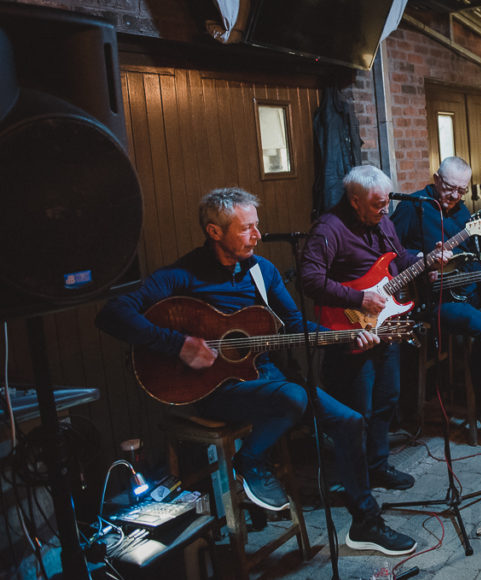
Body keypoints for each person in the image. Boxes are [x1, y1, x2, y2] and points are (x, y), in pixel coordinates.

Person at [96, 187, 416, 556]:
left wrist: (346, 337)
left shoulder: (262, 272)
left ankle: (366, 523)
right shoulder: (183, 274)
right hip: (217, 390)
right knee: (293, 395)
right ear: (215, 232)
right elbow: (112, 313)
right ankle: (250, 460)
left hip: (268, 383)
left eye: (257, 226)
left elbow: (297, 327)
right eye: (246, 228)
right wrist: (178, 345)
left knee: (350, 420)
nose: (257, 236)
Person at [298, 165, 427, 495]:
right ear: (354, 201)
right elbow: (309, 280)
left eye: (386, 203)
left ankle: (377, 467)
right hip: (348, 330)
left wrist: (426, 260)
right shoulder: (328, 229)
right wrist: (358, 297)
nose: (384, 211)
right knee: (358, 410)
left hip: (385, 325)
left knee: (387, 399)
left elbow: (397, 261)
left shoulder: (383, 222)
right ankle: (352, 481)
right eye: (377, 204)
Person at [390, 156, 481, 433]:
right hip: (435, 298)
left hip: (469, 285)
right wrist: (422, 259)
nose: (455, 196)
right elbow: (390, 252)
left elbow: (471, 257)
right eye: (450, 188)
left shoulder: (462, 213)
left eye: (461, 190)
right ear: (436, 179)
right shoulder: (414, 207)